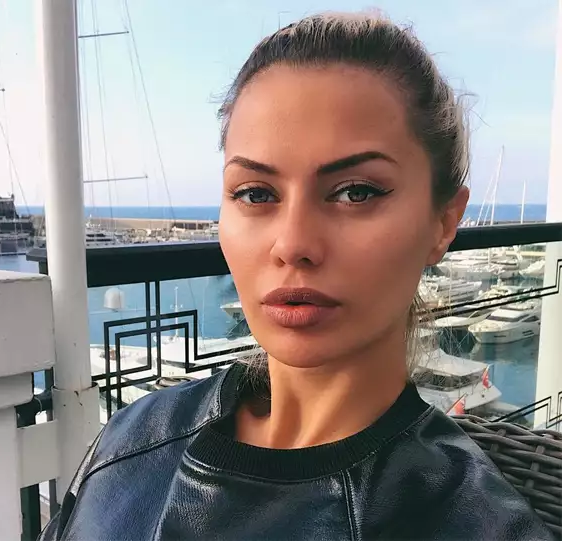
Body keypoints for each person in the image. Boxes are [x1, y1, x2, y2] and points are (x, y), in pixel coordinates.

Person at [40, 13, 554, 541]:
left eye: (356, 192)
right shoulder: (133, 436)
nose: (292, 244)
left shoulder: (475, 525)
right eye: (256, 193)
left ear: (443, 221)